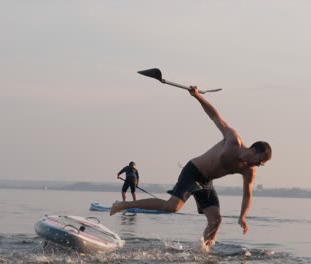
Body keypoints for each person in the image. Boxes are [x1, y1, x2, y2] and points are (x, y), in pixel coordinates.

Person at [111, 87, 272, 250]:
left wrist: (242, 217)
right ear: (253, 150)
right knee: (172, 207)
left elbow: (247, 195)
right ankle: (123, 205)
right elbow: (215, 116)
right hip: (193, 171)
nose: (258, 165)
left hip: (206, 182)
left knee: (216, 220)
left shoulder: (248, 171)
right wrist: (197, 96)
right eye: (259, 161)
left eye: (260, 164)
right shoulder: (233, 140)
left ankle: (203, 252)